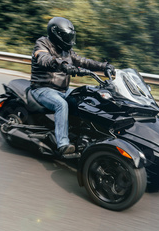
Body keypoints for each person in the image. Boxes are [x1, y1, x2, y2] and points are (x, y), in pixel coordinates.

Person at [30, 17, 115, 155]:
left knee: (87, 100)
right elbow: (44, 59)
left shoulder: (66, 51)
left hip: (63, 89)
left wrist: (104, 66)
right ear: (56, 34)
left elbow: (83, 61)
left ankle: (83, 135)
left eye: (70, 36)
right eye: (66, 36)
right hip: (42, 88)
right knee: (61, 105)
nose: (69, 40)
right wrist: (62, 65)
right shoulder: (42, 43)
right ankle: (63, 144)